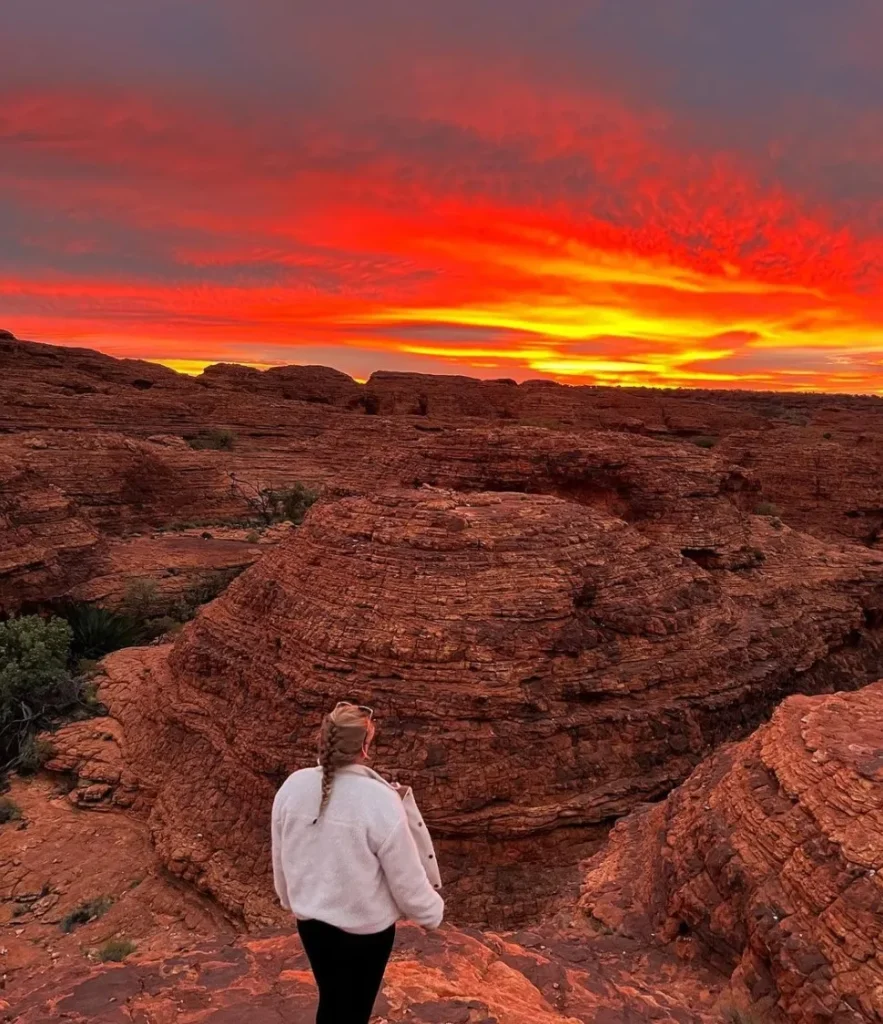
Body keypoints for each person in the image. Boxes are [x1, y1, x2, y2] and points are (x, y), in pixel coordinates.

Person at [271, 700, 444, 1024]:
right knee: (354, 1009)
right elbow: (405, 878)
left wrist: (287, 898)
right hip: (365, 934)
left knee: (333, 1000)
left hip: (312, 925)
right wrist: (431, 913)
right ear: (364, 749)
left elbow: (281, 856)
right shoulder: (379, 800)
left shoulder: (293, 786)